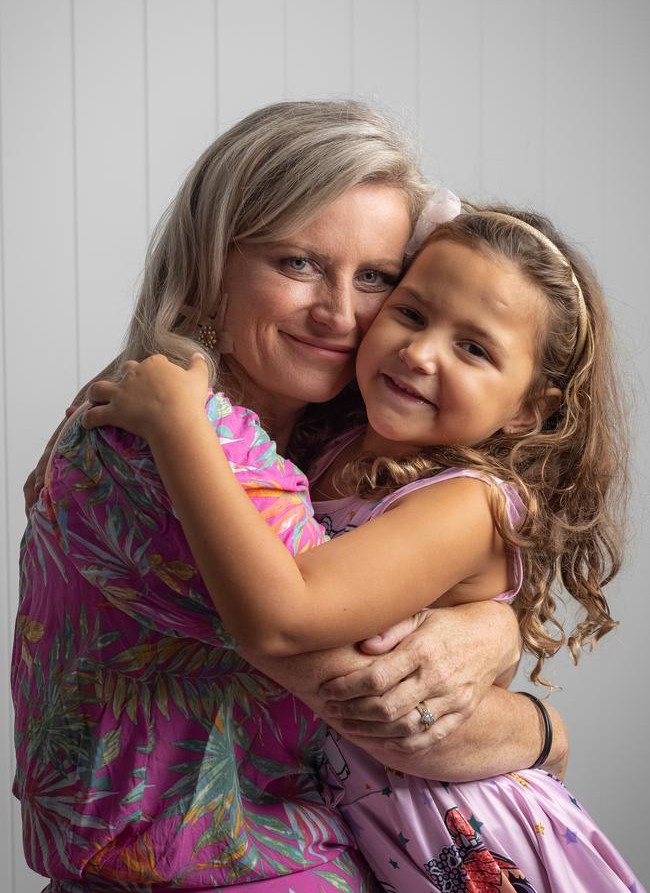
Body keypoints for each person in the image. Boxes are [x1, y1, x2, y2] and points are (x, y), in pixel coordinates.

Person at [13, 101, 565, 893]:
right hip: (227, 870)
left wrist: (490, 621)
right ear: (212, 260)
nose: (340, 314)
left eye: (375, 278)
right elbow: (395, 709)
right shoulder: (191, 438)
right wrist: (547, 731)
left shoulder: (317, 428)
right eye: (298, 263)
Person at [82, 198, 641, 892]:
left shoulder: (471, 503)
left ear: (533, 408)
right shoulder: (340, 437)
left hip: (471, 838)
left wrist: (178, 428)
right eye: (410, 313)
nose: (419, 352)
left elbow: (284, 617)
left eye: (473, 348)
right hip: (371, 826)